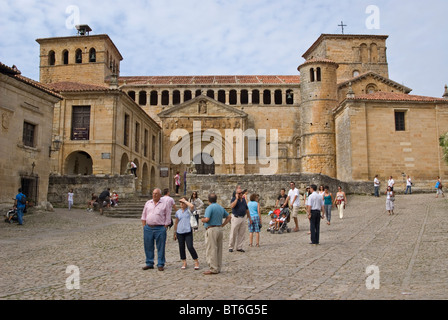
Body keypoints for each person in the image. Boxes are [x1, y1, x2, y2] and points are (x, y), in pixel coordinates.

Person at [141, 188, 173, 271]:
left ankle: (160, 263)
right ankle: (149, 263)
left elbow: (168, 215)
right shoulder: (148, 203)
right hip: (148, 228)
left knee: (161, 247)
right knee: (148, 246)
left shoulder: (164, 204)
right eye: (153, 193)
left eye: (156, 194)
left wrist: (165, 227)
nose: (154, 195)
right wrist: (144, 226)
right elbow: (144, 215)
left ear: (160, 195)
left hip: (160, 228)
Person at [201, 193, 231, 275]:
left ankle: (213, 268)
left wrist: (202, 220)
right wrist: (223, 224)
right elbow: (229, 217)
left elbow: (207, 219)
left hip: (211, 229)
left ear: (208, 200)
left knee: (212, 249)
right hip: (219, 229)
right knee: (219, 249)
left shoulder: (209, 208)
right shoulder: (220, 207)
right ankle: (218, 266)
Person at [173, 198, 199, 270]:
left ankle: (196, 260)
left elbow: (192, 206)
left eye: (183, 203)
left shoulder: (189, 211)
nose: (181, 204)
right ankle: (184, 261)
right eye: (180, 203)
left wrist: (185, 201)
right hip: (180, 231)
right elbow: (176, 222)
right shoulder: (178, 212)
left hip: (188, 231)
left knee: (190, 246)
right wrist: (175, 232)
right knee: (181, 247)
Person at [229, 186, 250, 253]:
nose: (241, 194)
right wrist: (236, 199)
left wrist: (249, 217)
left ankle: (239, 247)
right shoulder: (234, 199)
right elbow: (232, 206)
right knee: (233, 233)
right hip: (236, 218)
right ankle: (231, 246)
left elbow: (246, 208)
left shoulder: (243, 200)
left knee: (241, 233)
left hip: (243, 217)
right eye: (239, 193)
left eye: (241, 193)